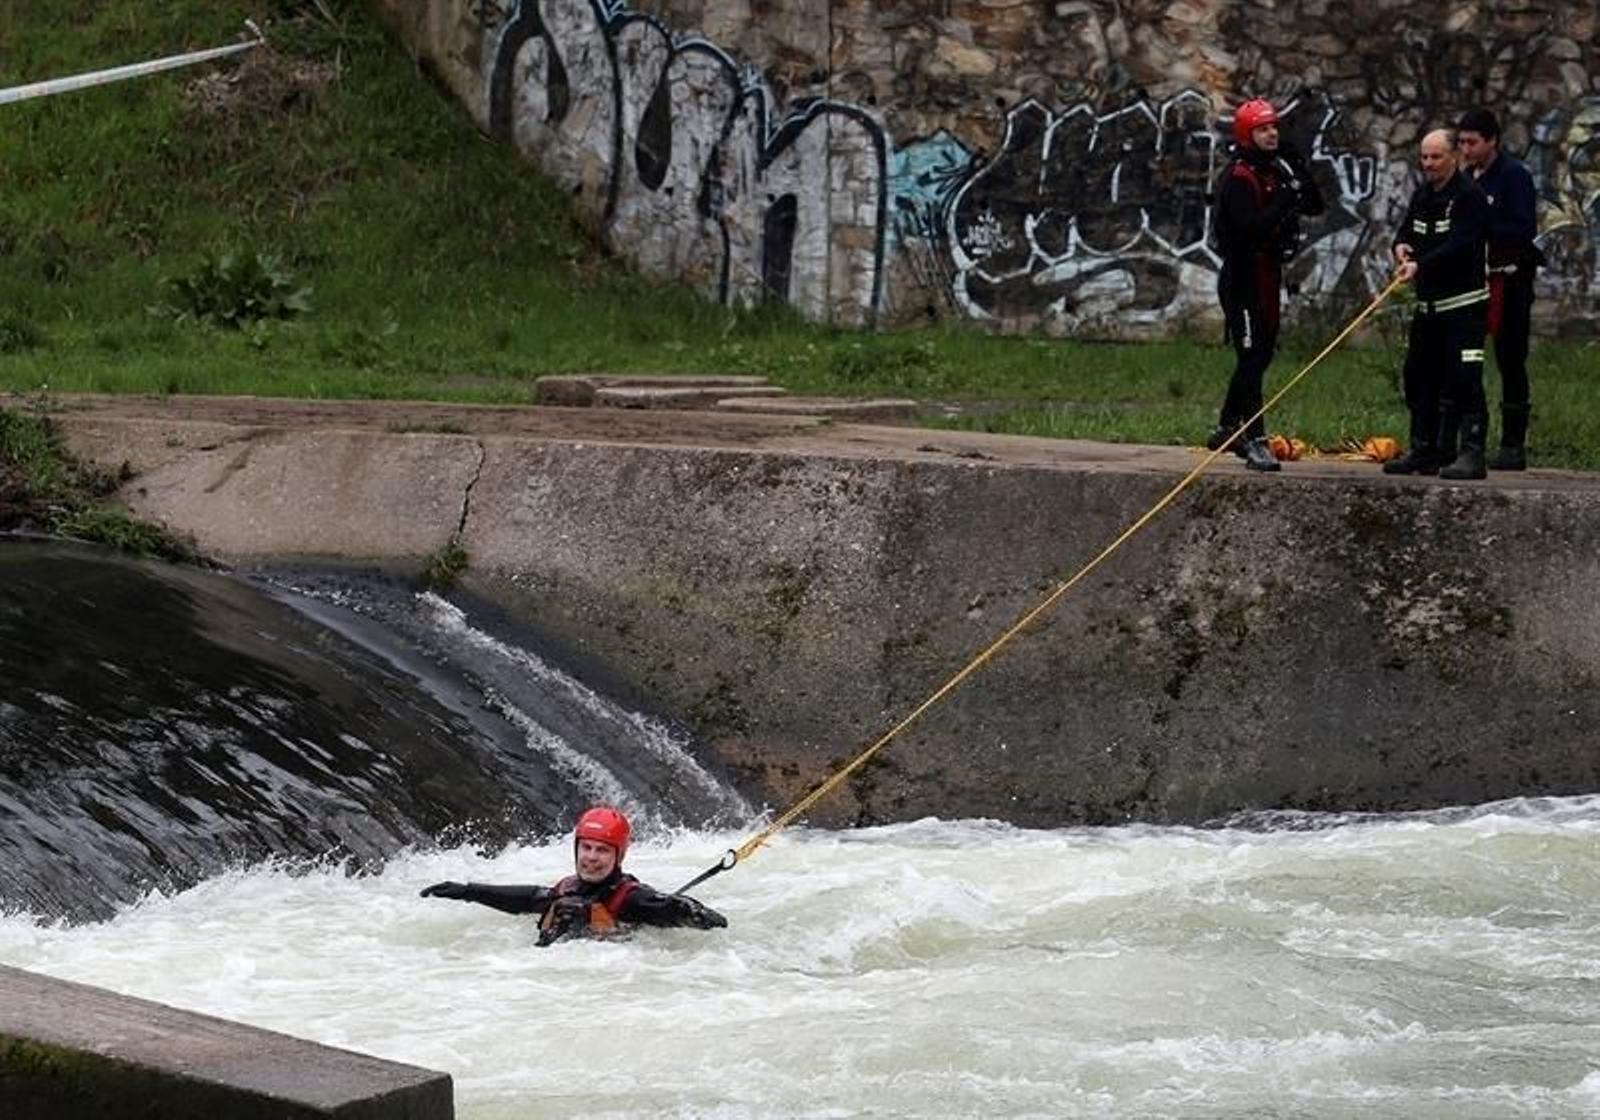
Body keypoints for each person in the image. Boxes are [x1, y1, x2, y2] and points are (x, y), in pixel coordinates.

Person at [1206, 98, 1326, 472]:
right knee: (1252, 356)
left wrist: (1299, 169)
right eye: (1262, 128)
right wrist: (1285, 199)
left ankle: (1227, 426)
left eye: (1274, 126)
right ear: (1246, 134)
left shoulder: (1277, 168)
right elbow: (1249, 229)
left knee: (1262, 354)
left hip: (1268, 276)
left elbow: (1315, 206)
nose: (1272, 133)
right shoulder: (1238, 178)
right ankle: (1255, 438)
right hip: (1242, 278)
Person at [420, 805, 727, 946]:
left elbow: (711, 922)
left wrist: (684, 907)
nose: (591, 858)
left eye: (603, 851)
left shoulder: (631, 898)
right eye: (587, 848)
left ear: (618, 856)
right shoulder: (568, 888)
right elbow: (529, 898)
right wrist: (469, 891)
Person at [1384, 128, 1491, 480]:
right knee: (1418, 377)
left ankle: (1472, 452)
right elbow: (1406, 231)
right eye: (1425, 157)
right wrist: (1400, 247)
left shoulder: (1469, 197)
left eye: (1436, 157)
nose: (1428, 164)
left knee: (1464, 379)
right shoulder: (1423, 194)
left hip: (1464, 306)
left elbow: (1460, 245)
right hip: (1428, 308)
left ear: (1454, 157)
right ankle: (1425, 449)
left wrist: (1422, 265)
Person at [1456, 107, 1541, 470]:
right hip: (1474, 281)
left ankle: (1512, 444)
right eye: (1461, 142)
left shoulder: (1514, 176)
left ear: (1492, 141)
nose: (1466, 149)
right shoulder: (1465, 176)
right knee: (1466, 358)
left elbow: (1523, 228)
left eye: (1472, 142)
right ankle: (1467, 438)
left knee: (1510, 359)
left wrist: (1482, 226)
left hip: (1510, 279)